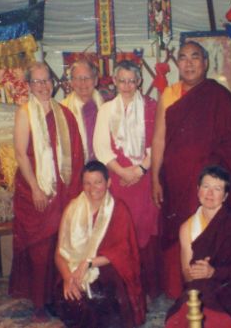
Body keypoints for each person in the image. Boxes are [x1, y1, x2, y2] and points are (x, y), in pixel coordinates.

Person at [151, 41, 231, 299]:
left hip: (207, 182)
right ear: (177, 63)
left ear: (205, 63)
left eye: (194, 57)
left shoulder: (220, 96)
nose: (189, 63)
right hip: (175, 180)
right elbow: (158, 139)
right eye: (183, 58)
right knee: (178, 229)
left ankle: (211, 289)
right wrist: (154, 179)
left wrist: (212, 173)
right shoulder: (169, 94)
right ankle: (178, 289)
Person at [9, 62, 84, 322]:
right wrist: (36, 188)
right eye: (37, 82)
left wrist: (73, 193)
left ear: (53, 82)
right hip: (35, 192)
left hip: (62, 192)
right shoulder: (24, 112)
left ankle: (56, 298)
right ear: (29, 86)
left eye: (46, 80)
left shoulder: (64, 113)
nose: (43, 86)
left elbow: (76, 157)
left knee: (59, 245)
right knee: (39, 250)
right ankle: (39, 303)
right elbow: (21, 153)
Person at [93, 60, 160, 300]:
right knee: (121, 233)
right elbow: (101, 148)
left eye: (132, 80)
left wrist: (140, 170)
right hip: (119, 182)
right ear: (114, 81)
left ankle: (146, 289)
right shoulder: (106, 110)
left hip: (144, 180)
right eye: (122, 80)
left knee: (144, 232)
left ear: (140, 81)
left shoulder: (152, 106)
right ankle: (126, 288)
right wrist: (123, 172)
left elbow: (158, 144)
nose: (127, 85)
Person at [165, 165, 231, 328]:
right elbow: (188, 276)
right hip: (200, 288)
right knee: (191, 302)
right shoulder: (187, 227)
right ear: (198, 190)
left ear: (225, 196)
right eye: (206, 186)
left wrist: (214, 273)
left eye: (217, 189)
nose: (210, 194)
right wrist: (200, 273)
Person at [54, 160, 145, 328]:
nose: (92, 188)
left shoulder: (119, 208)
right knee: (73, 302)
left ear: (108, 183)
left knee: (102, 303)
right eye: (87, 183)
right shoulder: (72, 209)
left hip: (106, 267)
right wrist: (68, 278)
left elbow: (122, 251)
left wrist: (89, 263)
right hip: (73, 270)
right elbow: (59, 253)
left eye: (98, 182)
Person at [61, 60, 104, 162]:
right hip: (75, 168)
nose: (83, 83)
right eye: (78, 78)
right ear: (71, 82)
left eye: (87, 78)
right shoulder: (62, 110)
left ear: (96, 80)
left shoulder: (107, 106)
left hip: (102, 168)